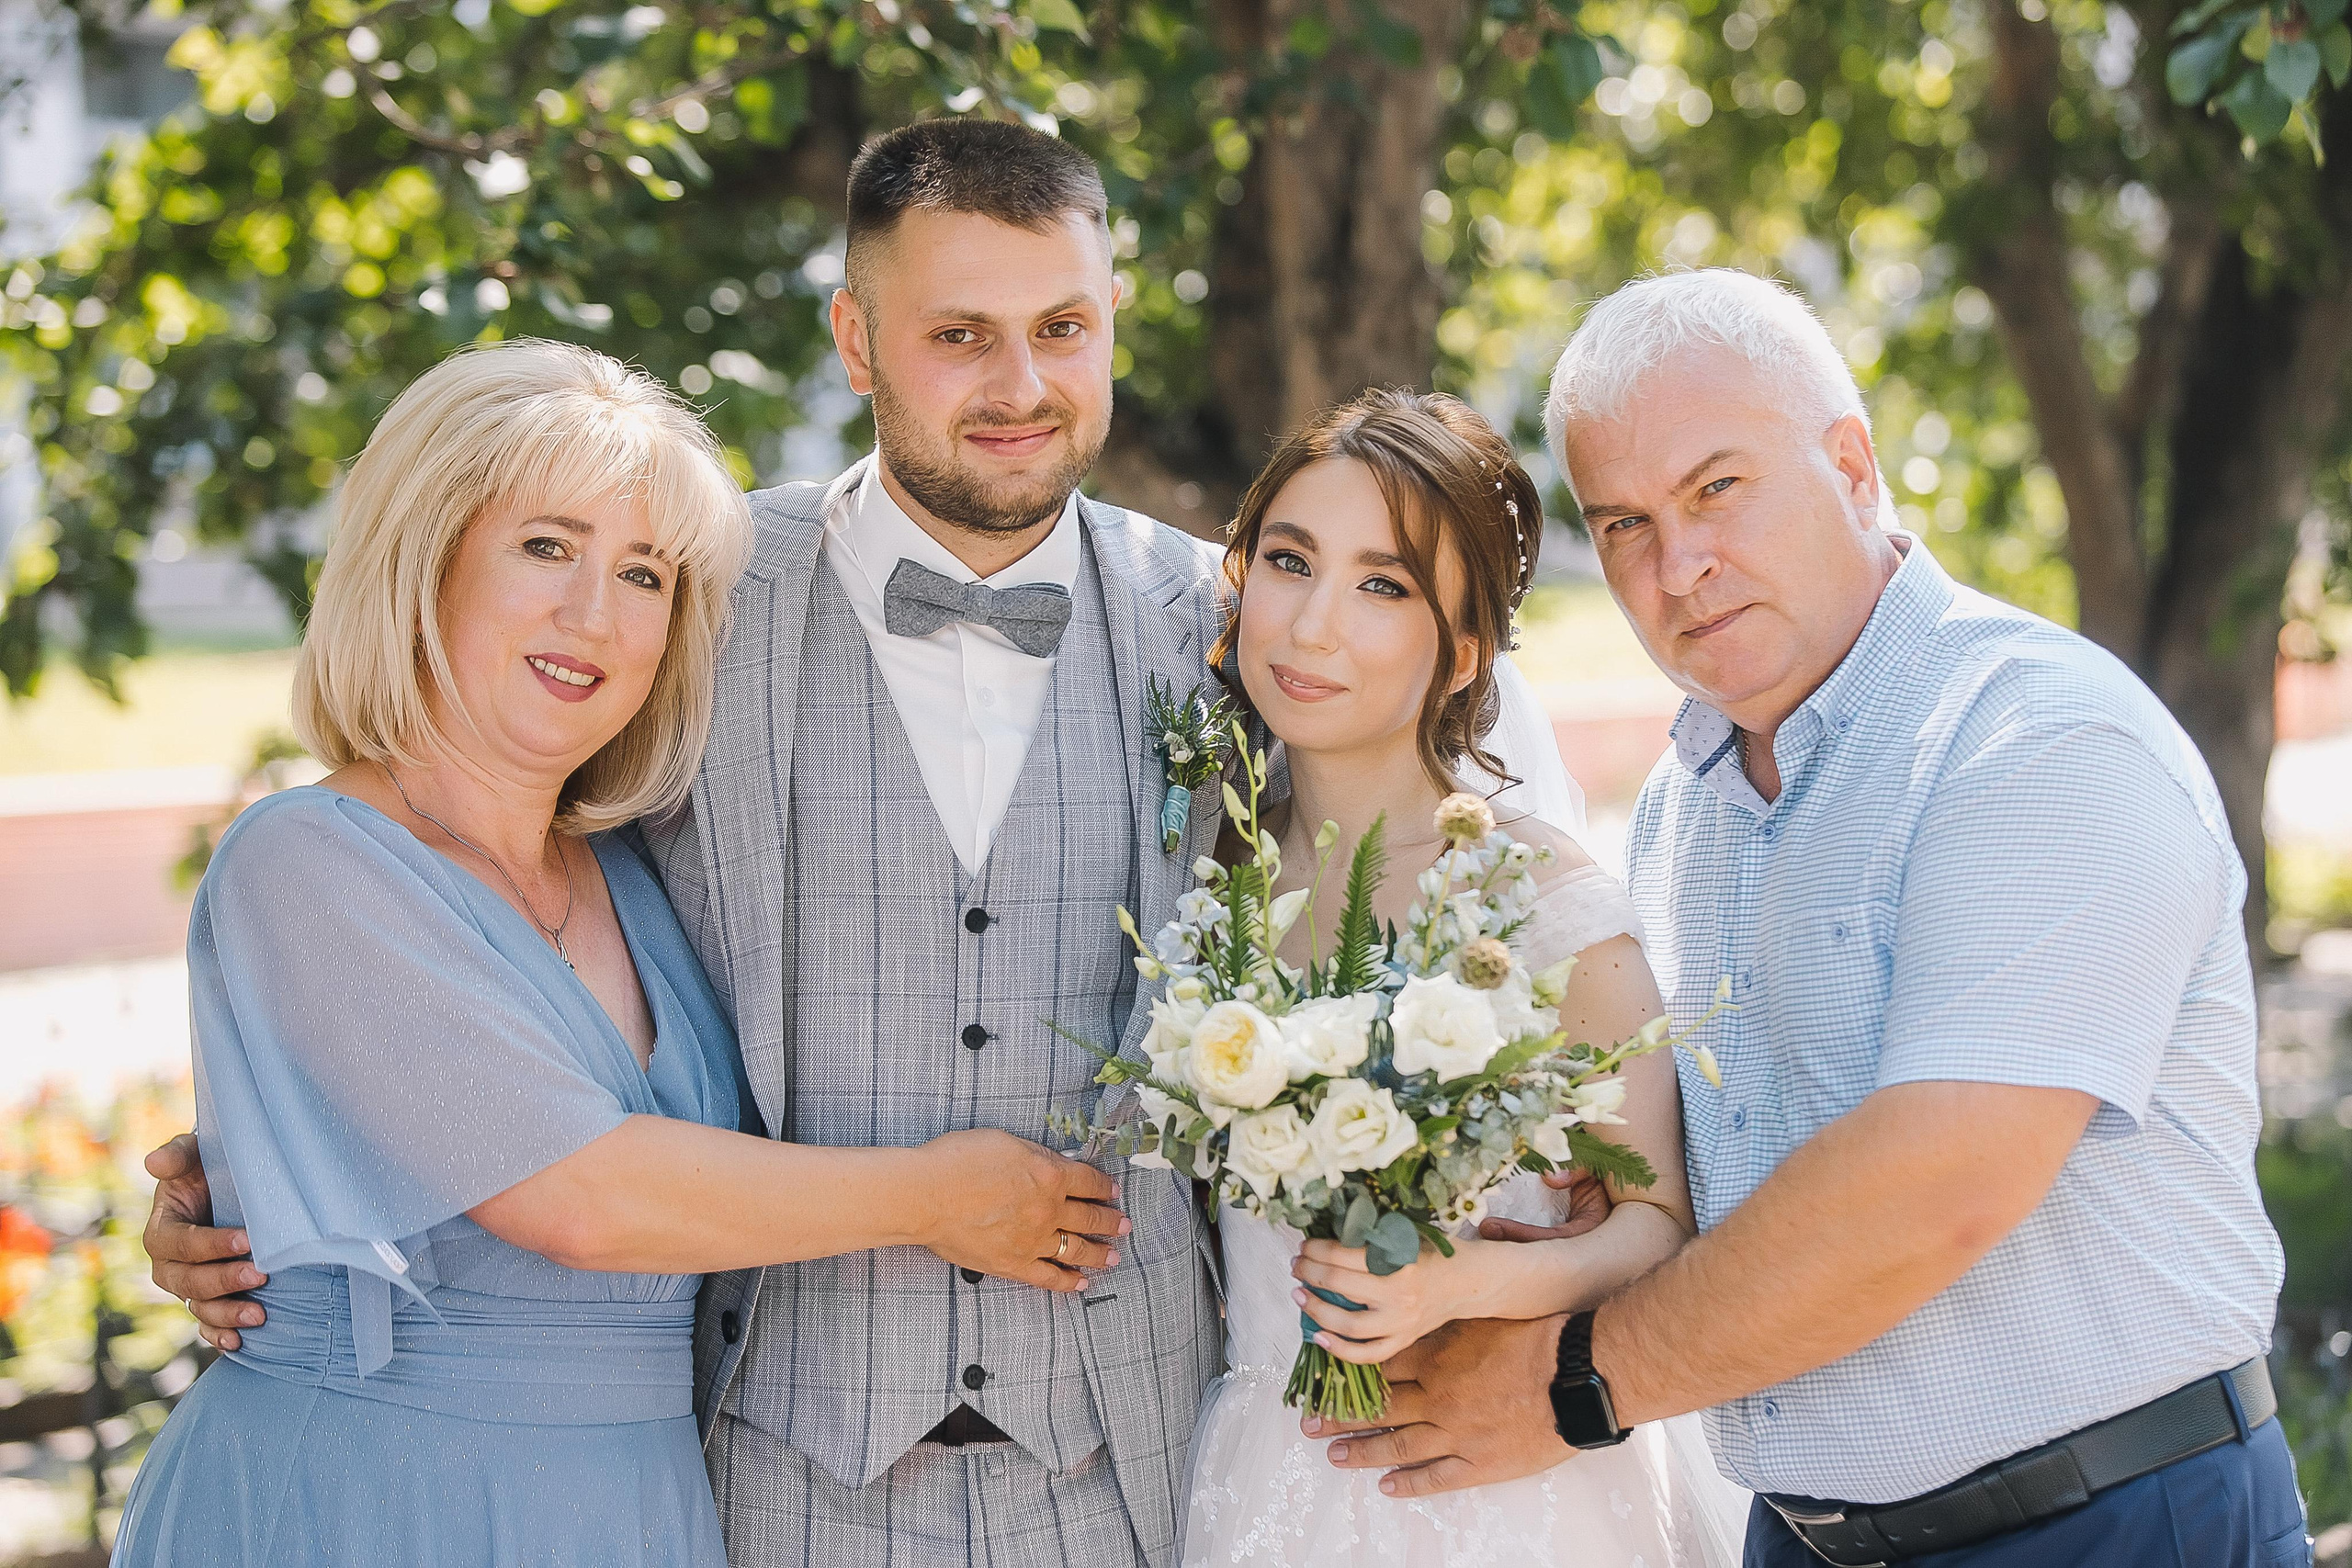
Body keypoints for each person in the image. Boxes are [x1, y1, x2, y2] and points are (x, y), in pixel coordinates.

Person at [147, 119, 1230, 1567]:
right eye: (960, 331)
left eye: (1064, 327)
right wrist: (251, 1184)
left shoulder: (1230, 621)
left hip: (1107, 1464)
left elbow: (1424, 860)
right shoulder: (704, 607)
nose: (600, 614)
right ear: (855, 337)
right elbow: (555, 1164)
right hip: (717, 1481)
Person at [1306, 270, 2312, 1568]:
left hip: (2103, 1520)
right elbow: (1715, 1175)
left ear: (1850, 462)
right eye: (1623, 523)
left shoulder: (2035, 738)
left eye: (1717, 488)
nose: (1680, 564)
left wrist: (1578, 1377)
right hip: (1805, 1538)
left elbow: (1933, 1185)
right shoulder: (1684, 806)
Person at [1180, 388, 1749, 1566]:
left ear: (1466, 653)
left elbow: (1659, 1229)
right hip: (1265, 1472)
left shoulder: (1539, 905)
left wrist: (1463, 1277)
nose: (1312, 624)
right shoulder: (1210, 869)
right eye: (1289, 562)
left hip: (1502, 1494)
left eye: (1383, 585)